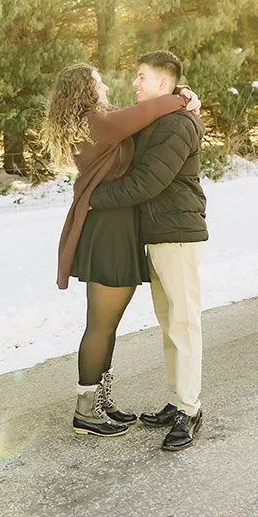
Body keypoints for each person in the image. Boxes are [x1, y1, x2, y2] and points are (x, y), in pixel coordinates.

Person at [43, 63, 200, 438]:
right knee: (100, 324)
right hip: (109, 229)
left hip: (115, 226)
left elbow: (145, 111)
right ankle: (86, 411)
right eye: (98, 81)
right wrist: (180, 96)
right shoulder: (97, 122)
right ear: (85, 89)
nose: (106, 84)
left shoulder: (102, 119)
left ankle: (100, 401)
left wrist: (183, 92)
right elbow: (146, 111)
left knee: (107, 324)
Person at [88, 50, 208, 452]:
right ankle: (176, 401)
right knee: (168, 322)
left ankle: (189, 410)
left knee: (184, 323)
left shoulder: (179, 123)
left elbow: (148, 182)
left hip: (176, 232)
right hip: (155, 233)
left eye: (142, 77)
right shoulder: (158, 115)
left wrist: (94, 197)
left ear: (163, 83)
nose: (135, 83)